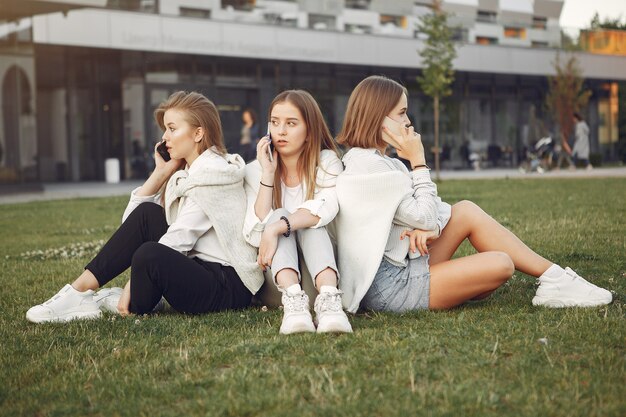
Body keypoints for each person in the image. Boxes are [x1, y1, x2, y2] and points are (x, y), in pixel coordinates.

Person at [334, 75, 612, 315]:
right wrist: (418, 163)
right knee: (501, 264)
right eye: (401, 113)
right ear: (377, 117)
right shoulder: (368, 165)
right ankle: (551, 280)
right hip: (390, 287)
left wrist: (430, 228)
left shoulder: (383, 161)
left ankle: (554, 277)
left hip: (405, 262)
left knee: (465, 209)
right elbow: (426, 214)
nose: (408, 122)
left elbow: (436, 210)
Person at [26, 91, 264, 323]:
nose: (165, 137)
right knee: (147, 215)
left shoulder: (213, 172)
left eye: (172, 128)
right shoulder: (191, 171)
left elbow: (180, 237)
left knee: (149, 253)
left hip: (226, 286)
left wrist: (132, 284)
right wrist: (160, 174)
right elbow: (131, 226)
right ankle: (79, 291)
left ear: (198, 133)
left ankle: (115, 298)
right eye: (165, 129)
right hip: (200, 267)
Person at [243, 90, 352, 334]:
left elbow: (326, 207)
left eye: (291, 123)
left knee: (307, 221)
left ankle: (331, 306)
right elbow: (255, 231)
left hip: (322, 277)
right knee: (281, 213)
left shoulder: (326, 162)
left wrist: (278, 227)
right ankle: (295, 309)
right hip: (279, 287)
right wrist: (268, 175)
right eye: (274, 122)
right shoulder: (255, 171)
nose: (280, 131)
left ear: (309, 130)